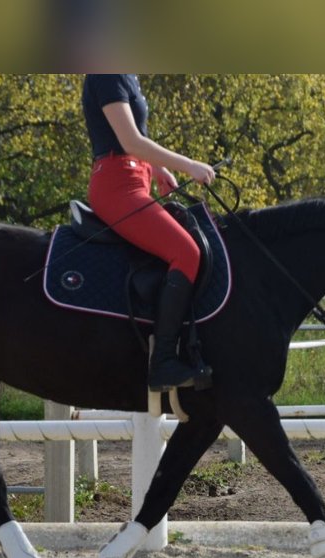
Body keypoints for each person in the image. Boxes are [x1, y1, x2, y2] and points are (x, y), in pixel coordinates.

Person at [82, 74, 216, 391]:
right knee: (186, 252)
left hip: (136, 180)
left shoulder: (128, 74)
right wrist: (189, 165)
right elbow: (130, 142)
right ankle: (163, 363)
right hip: (117, 187)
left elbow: (132, 140)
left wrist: (157, 169)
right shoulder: (107, 73)